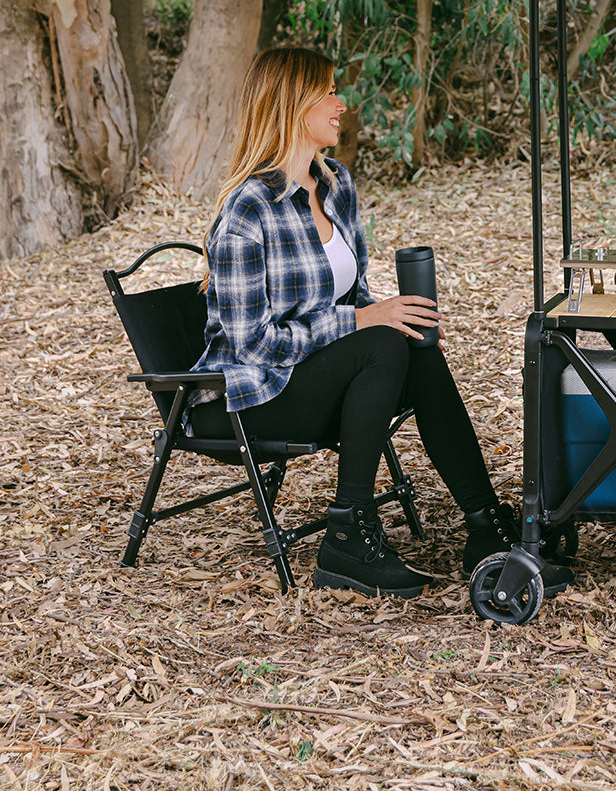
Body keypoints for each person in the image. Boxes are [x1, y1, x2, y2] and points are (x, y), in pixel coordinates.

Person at [188, 47, 523, 599]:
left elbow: (356, 297)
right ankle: (347, 531)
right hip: (252, 394)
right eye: (328, 92)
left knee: (412, 345)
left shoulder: (336, 184)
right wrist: (364, 321)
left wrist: (382, 316)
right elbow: (251, 344)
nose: (341, 103)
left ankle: (485, 523)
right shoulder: (249, 210)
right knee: (382, 346)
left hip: (312, 377)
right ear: (293, 105)